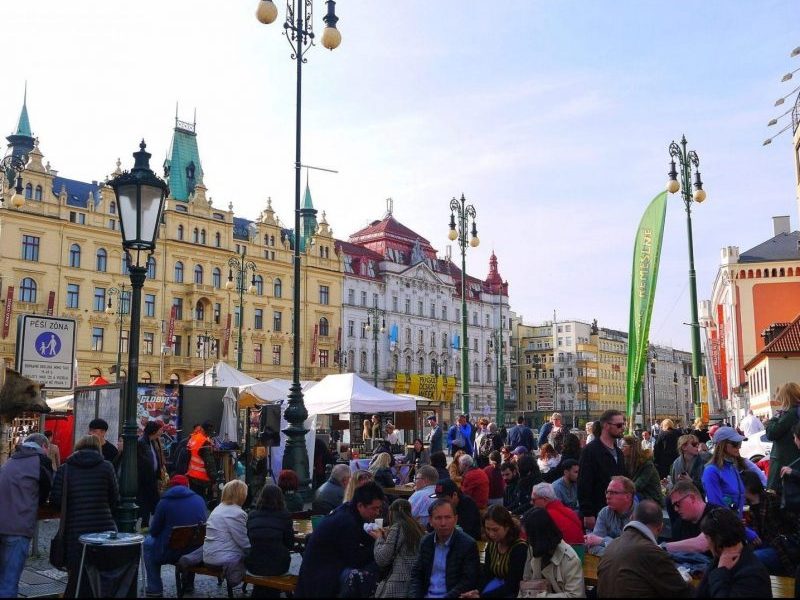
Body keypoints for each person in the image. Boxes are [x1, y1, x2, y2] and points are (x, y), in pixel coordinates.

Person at [50, 434, 119, 598]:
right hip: (104, 527)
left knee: (77, 573)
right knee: (101, 570)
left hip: (75, 530)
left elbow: (56, 500)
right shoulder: (106, 467)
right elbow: (115, 497)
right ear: (98, 449)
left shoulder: (65, 469)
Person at [296, 481, 386, 598]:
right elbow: (355, 559)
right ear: (360, 505)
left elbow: (362, 540)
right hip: (319, 580)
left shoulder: (349, 511)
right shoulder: (346, 521)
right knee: (368, 573)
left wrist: (378, 541)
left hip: (319, 572)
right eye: (374, 508)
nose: (377, 513)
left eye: (379, 508)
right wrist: (378, 544)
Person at [597, 499, 692, 598]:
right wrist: (686, 580)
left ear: (631, 518)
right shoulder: (653, 553)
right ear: (660, 528)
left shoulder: (611, 546)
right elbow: (683, 593)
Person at [0, 433, 53, 598]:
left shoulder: (11, 461)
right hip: (18, 525)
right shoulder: (41, 461)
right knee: (9, 580)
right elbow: (46, 491)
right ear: (44, 446)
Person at [142, 474, 207, 598]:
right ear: (187, 485)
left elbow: (154, 531)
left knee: (148, 544)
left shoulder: (164, 502)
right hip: (193, 551)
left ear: (170, 487)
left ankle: (154, 588)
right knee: (192, 538)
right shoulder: (199, 499)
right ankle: (188, 584)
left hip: (171, 551)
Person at [408, 499, 480, 597]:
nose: (443, 523)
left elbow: (468, 581)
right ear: (430, 521)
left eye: (447, 517)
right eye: (438, 518)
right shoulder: (426, 542)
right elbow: (417, 575)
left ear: (455, 519)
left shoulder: (467, 545)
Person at [695, 507, 772, 598]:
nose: (707, 544)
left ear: (717, 540)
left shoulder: (752, 575)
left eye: (707, 538)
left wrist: (720, 573)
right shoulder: (719, 560)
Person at [461, 505, 527, 598]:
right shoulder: (491, 545)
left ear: (507, 527)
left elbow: (512, 585)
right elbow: (486, 575)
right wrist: (477, 591)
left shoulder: (519, 548)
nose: (491, 534)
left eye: (495, 529)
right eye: (487, 529)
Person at [741, 469, 800, 575]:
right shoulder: (743, 505)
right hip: (758, 546)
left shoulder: (771, 499)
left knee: (754, 558)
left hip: (778, 546)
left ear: (748, 486)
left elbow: (793, 521)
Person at [518, 507, 584, 597]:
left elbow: (575, 595)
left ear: (539, 536)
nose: (528, 540)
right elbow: (526, 582)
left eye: (530, 536)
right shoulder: (533, 549)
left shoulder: (570, 560)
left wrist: (541, 596)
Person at [577, 409, 626, 530]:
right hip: (597, 510)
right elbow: (584, 482)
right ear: (606, 426)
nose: (622, 427)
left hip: (617, 511)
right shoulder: (590, 451)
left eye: (623, 424)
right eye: (619, 425)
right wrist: (588, 513)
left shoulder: (619, 452)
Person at [246, 484, 294, 595]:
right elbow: (289, 544)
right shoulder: (285, 515)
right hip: (278, 566)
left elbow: (250, 538)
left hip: (254, 564)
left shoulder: (252, 515)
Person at [201, 480, 250, 589]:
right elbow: (244, 542)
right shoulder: (237, 513)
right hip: (224, 559)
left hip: (208, 557)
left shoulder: (217, 509)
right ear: (241, 495)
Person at [373, 499, 425, 598]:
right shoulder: (418, 528)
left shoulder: (398, 527)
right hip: (415, 581)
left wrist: (379, 538)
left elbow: (382, 558)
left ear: (392, 513)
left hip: (398, 584)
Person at [663, 481, 725, 553]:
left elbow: (702, 544)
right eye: (673, 506)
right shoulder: (679, 526)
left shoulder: (718, 515)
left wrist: (663, 547)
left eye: (677, 504)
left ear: (692, 498)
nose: (675, 509)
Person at [702, 426, 750, 517]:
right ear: (723, 445)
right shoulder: (711, 471)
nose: (739, 447)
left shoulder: (732, 466)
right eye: (735, 444)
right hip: (725, 526)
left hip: (735, 523)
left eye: (739, 443)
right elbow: (717, 507)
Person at [585, 475, 638, 556]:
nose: (607, 496)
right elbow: (593, 548)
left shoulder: (640, 515)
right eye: (607, 492)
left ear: (628, 496)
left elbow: (633, 552)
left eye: (613, 493)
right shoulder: (604, 512)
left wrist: (602, 541)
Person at [765, 382, 800, 491]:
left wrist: (771, 420)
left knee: (777, 497)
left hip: (784, 462)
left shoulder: (790, 414)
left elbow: (772, 433)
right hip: (794, 461)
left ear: (786, 397)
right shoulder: (797, 411)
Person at [137, 420, 165, 529]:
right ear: (153, 431)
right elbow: (144, 462)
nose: (161, 432)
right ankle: (146, 524)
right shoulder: (142, 442)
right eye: (159, 430)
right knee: (147, 502)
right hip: (146, 479)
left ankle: (148, 524)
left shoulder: (151, 441)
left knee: (152, 502)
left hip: (152, 478)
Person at [621, 435, 663, 504]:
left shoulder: (647, 464)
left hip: (650, 496)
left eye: (623, 446)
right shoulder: (626, 461)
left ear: (632, 448)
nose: (621, 448)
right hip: (638, 493)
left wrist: (622, 491)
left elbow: (639, 485)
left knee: (628, 498)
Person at [185, 421, 217, 504]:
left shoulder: (193, 438)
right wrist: (214, 479)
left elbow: (187, 455)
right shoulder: (205, 443)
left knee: (192, 499)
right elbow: (209, 463)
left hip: (191, 474)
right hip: (201, 478)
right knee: (200, 501)